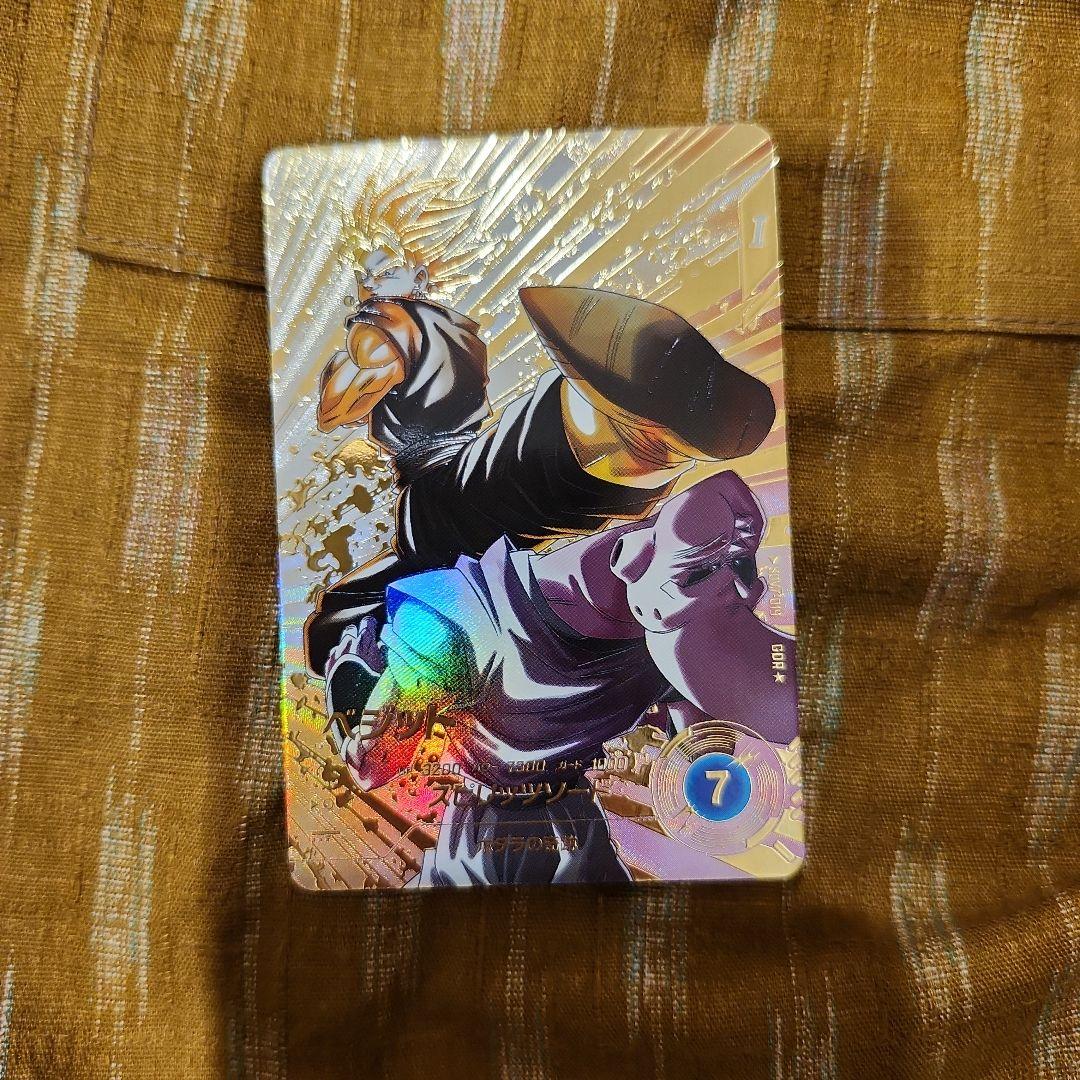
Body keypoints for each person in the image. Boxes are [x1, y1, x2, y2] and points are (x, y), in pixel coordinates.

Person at [323, 470, 798, 886]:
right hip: (485, 844)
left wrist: (747, 790)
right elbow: (371, 766)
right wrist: (350, 675)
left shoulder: (667, 631)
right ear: (631, 558)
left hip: (575, 832)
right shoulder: (460, 617)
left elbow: (702, 748)